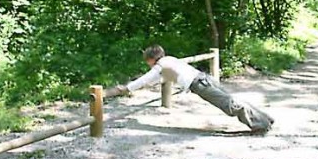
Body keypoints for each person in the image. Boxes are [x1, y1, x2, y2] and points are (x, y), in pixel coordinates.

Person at [106, 45, 275, 133]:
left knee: (229, 104)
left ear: (151, 59)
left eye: (147, 60)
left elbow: (145, 79)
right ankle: (265, 119)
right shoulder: (169, 60)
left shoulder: (161, 65)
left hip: (199, 84)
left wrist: (127, 88)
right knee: (232, 99)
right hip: (205, 78)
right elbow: (157, 78)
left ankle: (260, 124)